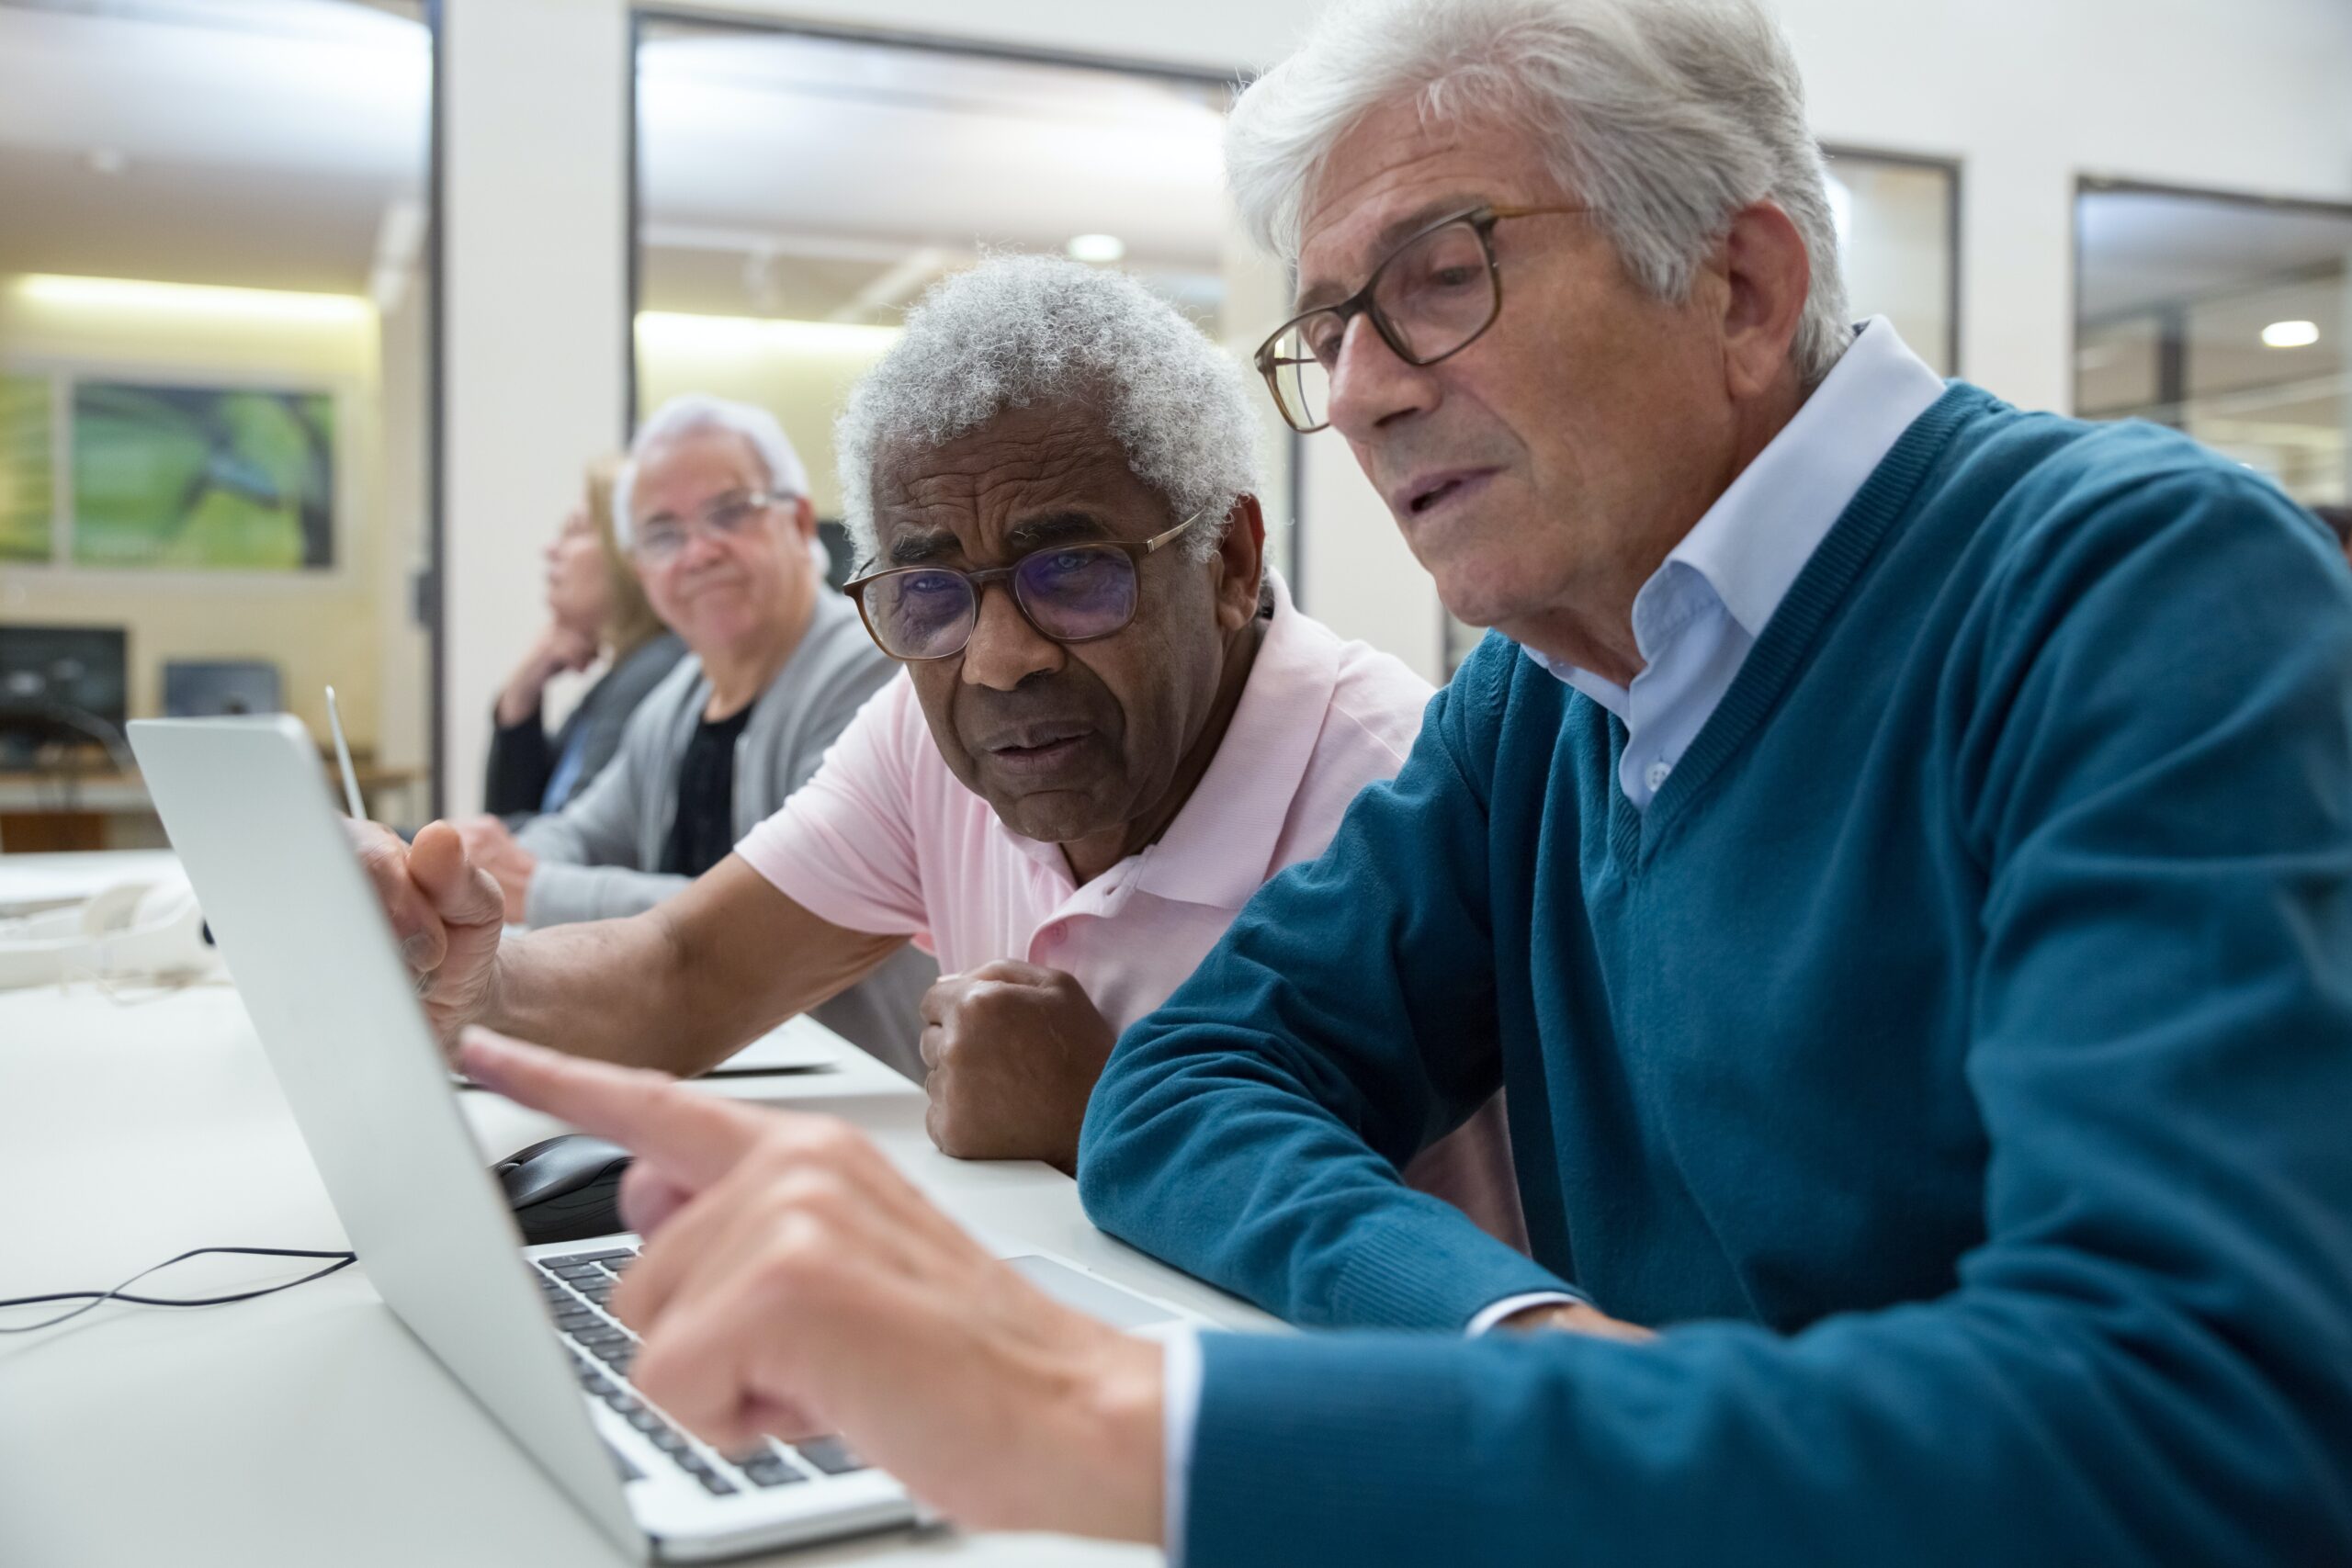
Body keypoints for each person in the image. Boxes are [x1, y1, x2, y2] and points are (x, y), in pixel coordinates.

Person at [441, 0, 2352, 1561]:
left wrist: (1115, 1415)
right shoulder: (1543, 697)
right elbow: (1193, 1077)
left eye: (1433, 279)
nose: (1355, 386)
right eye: (1326, 326)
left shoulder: (2133, 590)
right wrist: (1514, 1336)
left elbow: (2183, 1428)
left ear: (1743, 284)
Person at [360, 257, 1517, 1232]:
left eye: (1072, 572)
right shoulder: (931, 739)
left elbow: (1455, 1282)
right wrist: (475, 972)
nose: (998, 659)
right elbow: (683, 976)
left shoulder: (1400, 789)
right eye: (928, 592)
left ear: (1224, 562)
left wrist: (1105, 1108)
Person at [450, 393, 935, 1063]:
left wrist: (534, 885)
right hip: (726, 1064)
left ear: (798, 521)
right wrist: (482, 867)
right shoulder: (678, 698)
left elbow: (776, 909)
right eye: (664, 533)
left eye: (730, 512)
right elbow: (587, 831)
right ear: (642, 571)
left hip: (862, 1087)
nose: (699, 551)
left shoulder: (878, 676)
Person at [481, 458, 685, 822]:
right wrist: (522, 692)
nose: (551, 550)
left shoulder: (656, 671)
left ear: (629, 554)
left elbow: (561, 848)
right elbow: (518, 820)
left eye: (574, 531)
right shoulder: (624, 673)